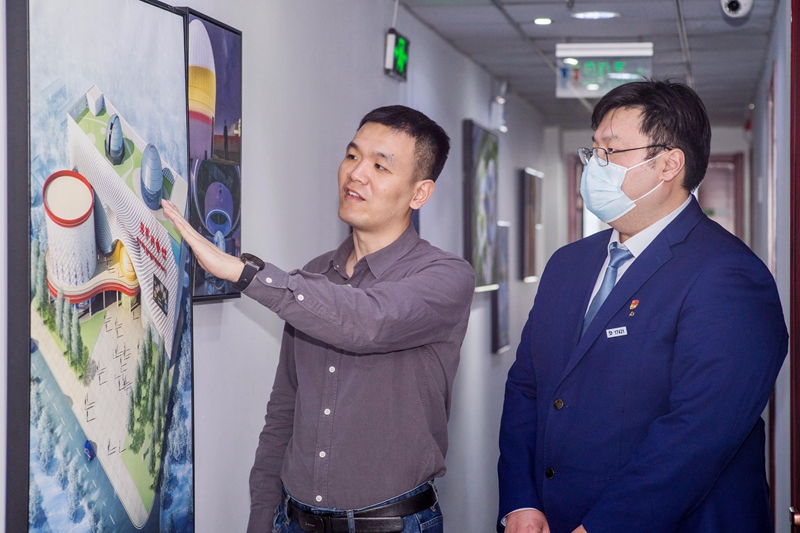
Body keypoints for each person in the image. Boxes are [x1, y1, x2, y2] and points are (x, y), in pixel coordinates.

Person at [162, 105, 475, 533]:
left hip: (393, 525)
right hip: (293, 521)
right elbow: (284, 412)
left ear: (419, 194)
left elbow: (370, 322)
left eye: (380, 166)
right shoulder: (313, 277)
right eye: (352, 156)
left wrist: (244, 273)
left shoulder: (446, 277)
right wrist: (262, 519)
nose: (356, 174)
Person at [497, 80, 788, 533]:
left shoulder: (728, 275)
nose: (595, 166)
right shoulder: (567, 264)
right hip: (550, 518)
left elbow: (698, 434)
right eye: (593, 151)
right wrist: (520, 501)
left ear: (669, 164)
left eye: (611, 151)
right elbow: (527, 387)